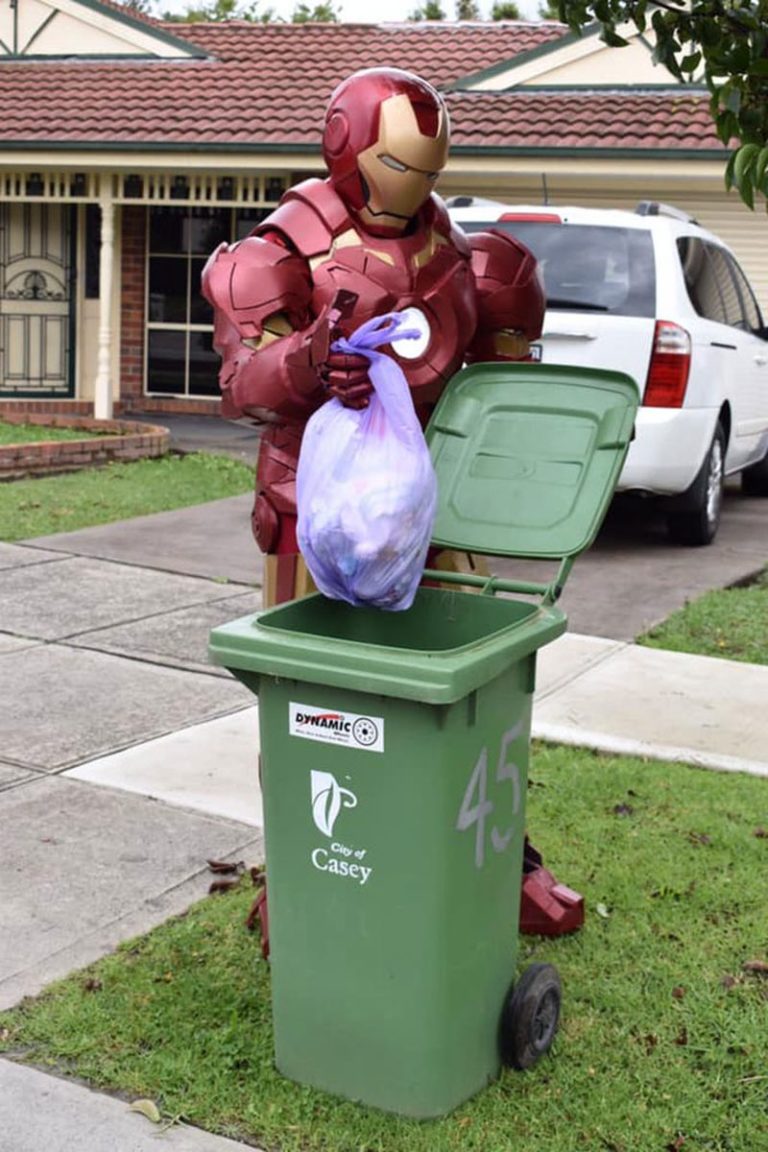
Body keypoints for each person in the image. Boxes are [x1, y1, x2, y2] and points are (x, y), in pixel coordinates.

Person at [202, 66, 583, 937]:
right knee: (313, 697)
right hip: (317, 504)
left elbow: (502, 371)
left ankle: (492, 847)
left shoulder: (461, 252)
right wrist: (307, 361)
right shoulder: (283, 248)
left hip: (433, 499)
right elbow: (240, 379)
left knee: (472, 684)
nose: (411, 183)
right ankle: (299, 865)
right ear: (350, 148)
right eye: (397, 161)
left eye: (424, 166)